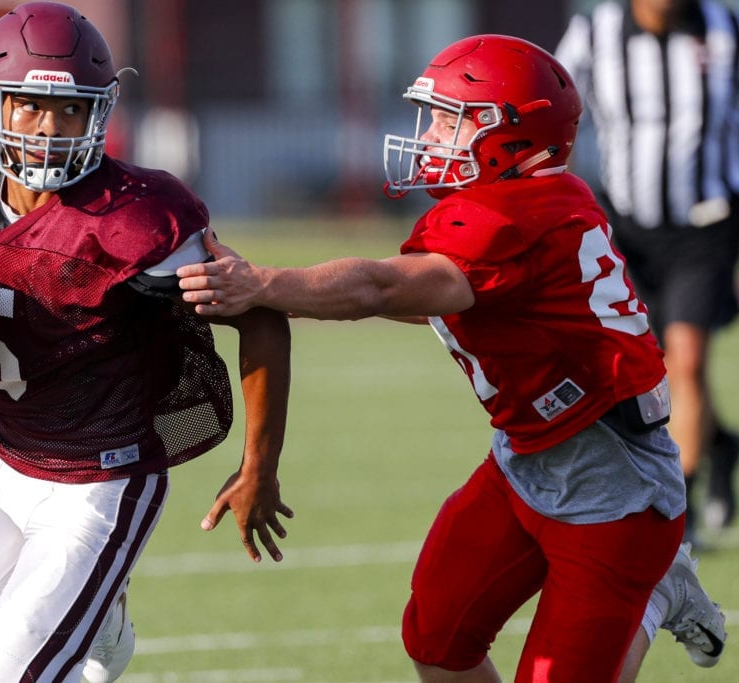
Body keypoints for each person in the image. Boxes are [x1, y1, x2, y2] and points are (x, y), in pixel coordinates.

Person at [177, 34, 725, 682]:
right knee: (435, 639)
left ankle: (657, 586)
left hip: (615, 484)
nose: (431, 134)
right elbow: (432, 298)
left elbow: (382, 286)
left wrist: (266, 283)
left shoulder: (511, 217)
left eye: (450, 118)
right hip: (527, 455)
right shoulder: (536, 199)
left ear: (510, 133)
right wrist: (284, 292)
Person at [0, 3, 292, 681]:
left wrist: (259, 463)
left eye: (70, 110)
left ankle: (99, 613)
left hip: (101, 479)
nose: (49, 128)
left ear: (101, 110)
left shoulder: (134, 219)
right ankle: (101, 616)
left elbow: (259, 313)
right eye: (29, 106)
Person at [555, 0, 739, 544]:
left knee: (686, 358)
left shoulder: (727, 28)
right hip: (626, 229)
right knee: (649, 368)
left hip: (706, 223)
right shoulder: (595, 32)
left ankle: (675, 511)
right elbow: (550, 102)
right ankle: (722, 445)